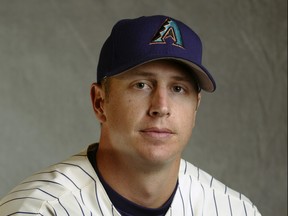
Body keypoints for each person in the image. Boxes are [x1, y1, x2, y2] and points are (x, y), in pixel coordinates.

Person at [0, 15, 261, 216]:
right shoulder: (39, 210)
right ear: (100, 102)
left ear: (196, 107)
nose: (161, 106)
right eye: (142, 85)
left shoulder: (234, 209)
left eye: (178, 89)